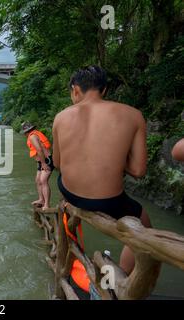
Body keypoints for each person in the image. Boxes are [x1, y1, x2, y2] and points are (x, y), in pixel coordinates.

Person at [52, 65, 151, 275]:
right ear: (104, 90)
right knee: (144, 225)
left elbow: (59, 164)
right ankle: (122, 277)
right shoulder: (133, 115)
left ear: (75, 90)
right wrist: (116, 154)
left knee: (63, 180)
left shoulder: (61, 117)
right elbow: (139, 170)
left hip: (70, 193)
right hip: (109, 202)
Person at [23, 122, 55, 210]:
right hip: (41, 161)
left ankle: (47, 204)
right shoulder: (35, 134)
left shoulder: (32, 137)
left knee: (43, 181)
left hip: (46, 161)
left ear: (26, 132)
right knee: (38, 180)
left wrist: (44, 163)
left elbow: (39, 150)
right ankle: (41, 199)